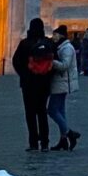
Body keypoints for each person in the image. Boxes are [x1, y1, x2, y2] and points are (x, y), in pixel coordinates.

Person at [13, 19, 58, 150]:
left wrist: (24, 74)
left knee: (30, 113)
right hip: (44, 83)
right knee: (42, 112)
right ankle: (45, 142)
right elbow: (55, 62)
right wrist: (48, 75)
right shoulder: (48, 43)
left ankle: (33, 142)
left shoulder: (24, 43)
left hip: (28, 84)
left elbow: (16, 61)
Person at [48, 26, 80, 151]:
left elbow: (65, 66)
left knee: (51, 110)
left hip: (62, 82)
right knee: (60, 111)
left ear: (60, 35)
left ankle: (69, 133)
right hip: (60, 82)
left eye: (55, 34)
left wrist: (51, 61)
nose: (53, 37)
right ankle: (63, 140)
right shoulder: (61, 47)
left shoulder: (66, 48)